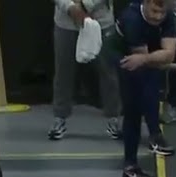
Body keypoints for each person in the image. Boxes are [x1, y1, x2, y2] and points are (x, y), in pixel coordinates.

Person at [115, 0, 176, 177]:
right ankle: (131, 166)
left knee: (149, 79)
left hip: (144, 55)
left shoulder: (169, 16)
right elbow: (143, 60)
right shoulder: (132, 20)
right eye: (154, 11)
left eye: (162, 13)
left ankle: (154, 135)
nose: (157, 17)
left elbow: (168, 55)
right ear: (145, 3)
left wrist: (174, 65)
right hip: (120, 54)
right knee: (133, 107)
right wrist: (174, 66)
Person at [50, 0, 122, 141]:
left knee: (109, 73)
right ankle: (59, 118)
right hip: (66, 23)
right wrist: (70, 7)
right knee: (63, 73)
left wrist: (85, 5)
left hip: (101, 22)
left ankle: (114, 118)